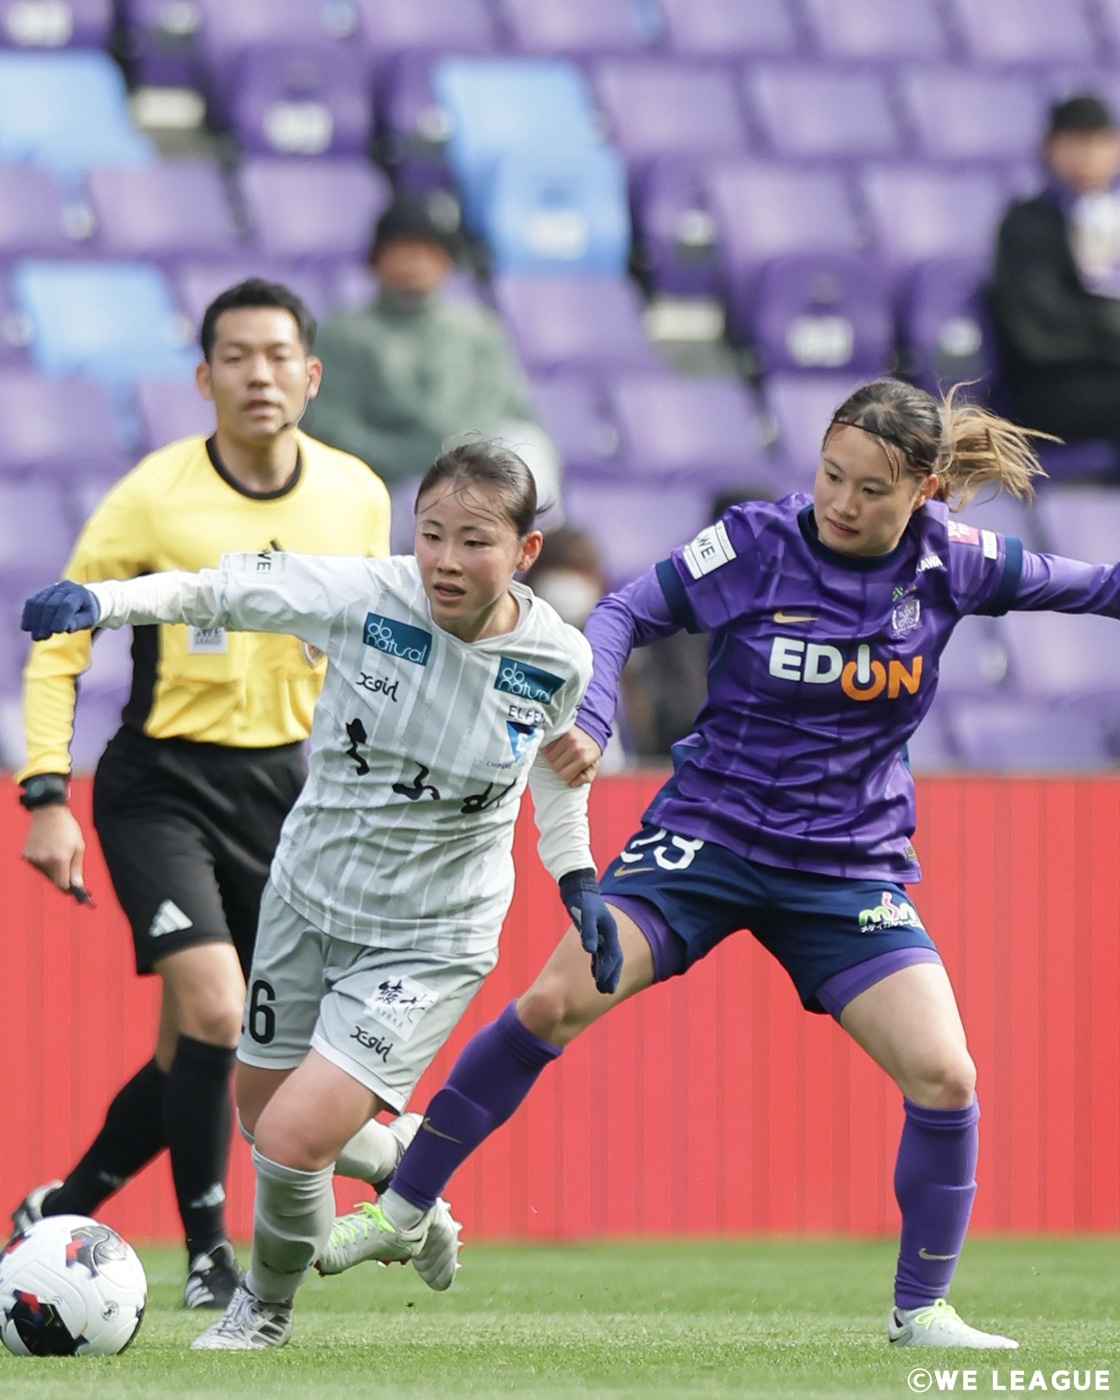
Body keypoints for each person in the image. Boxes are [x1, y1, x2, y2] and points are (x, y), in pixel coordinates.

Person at [319, 376, 1120, 1350]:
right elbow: (623, 610)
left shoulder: (953, 563)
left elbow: (1097, 587)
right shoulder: (755, 543)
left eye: (871, 488)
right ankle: (405, 1206)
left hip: (845, 866)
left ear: (925, 491)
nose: (840, 501)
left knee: (947, 1075)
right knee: (551, 1002)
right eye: (831, 473)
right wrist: (593, 715)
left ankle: (921, 1312)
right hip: (707, 838)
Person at [21, 440, 613, 1352]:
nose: (447, 560)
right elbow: (219, 592)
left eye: (476, 541)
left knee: (292, 1140)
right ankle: (406, 1173)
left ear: (525, 551)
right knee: (261, 1113)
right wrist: (105, 603)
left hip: (432, 934)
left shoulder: (557, 657)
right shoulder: (365, 596)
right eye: (432, 534)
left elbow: (557, 771)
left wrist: (576, 876)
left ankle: (261, 1310)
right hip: (306, 899)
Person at [10, 278, 392, 1310]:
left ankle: (58, 1212)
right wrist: (45, 792)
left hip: (284, 791)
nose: (258, 375)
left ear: (311, 375)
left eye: (278, 355)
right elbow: (61, 639)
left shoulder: (356, 495)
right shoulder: (152, 495)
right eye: (236, 356)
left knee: (206, 1044)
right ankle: (209, 1257)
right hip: (160, 782)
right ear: (202, 377)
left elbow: (378, 641)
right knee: (221, 1009)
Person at [303, 191, 560, 518]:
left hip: (476, 476)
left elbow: (512, 412)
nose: (417, 261)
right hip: (390, 487)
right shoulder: (343, 335)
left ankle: (539, 548)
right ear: (377, 258)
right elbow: (330, 430)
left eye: (429, 251)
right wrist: (419, 459)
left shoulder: (479, 331)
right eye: (404, 249)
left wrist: (459, 459)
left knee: (528, 443)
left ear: (448, 261)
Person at [989, 93, 1120, 445]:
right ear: (1051, 147)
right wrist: (1110, 327)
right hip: (1049, 387)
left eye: (1100, 143)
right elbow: (1037, 334)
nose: (1088, 156)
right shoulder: (1026, 226)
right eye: (1076, 142)